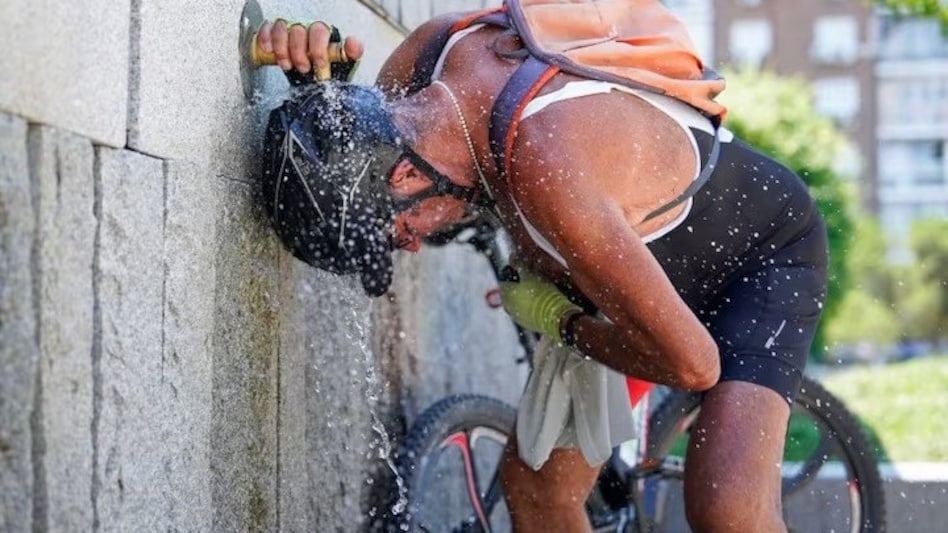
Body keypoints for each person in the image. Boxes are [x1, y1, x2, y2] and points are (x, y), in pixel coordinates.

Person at [256, 2, 828, 531]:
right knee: (536, 492)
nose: (409, 247)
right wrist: (321, 92)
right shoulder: (428, 58)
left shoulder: (547, 166)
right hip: (618, 281)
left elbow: (693, 365)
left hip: (757, 257)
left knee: (727, 510)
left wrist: (559, 320)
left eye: (399, 232)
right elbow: (360, 141)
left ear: (406, 177)